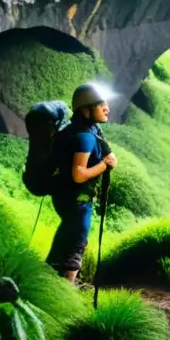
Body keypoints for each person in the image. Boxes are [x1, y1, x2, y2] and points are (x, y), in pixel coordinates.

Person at [45, 82, 116, 283]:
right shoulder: (85, 137)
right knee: (76, 246)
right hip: (78, 201)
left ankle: (46, 281)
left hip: (65, 197)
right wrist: (104, 165)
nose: (107, 109)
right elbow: (78, 173)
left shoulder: (77, 128)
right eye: (101, 105)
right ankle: (67, 292)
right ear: (86, 110)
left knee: (63, 241)